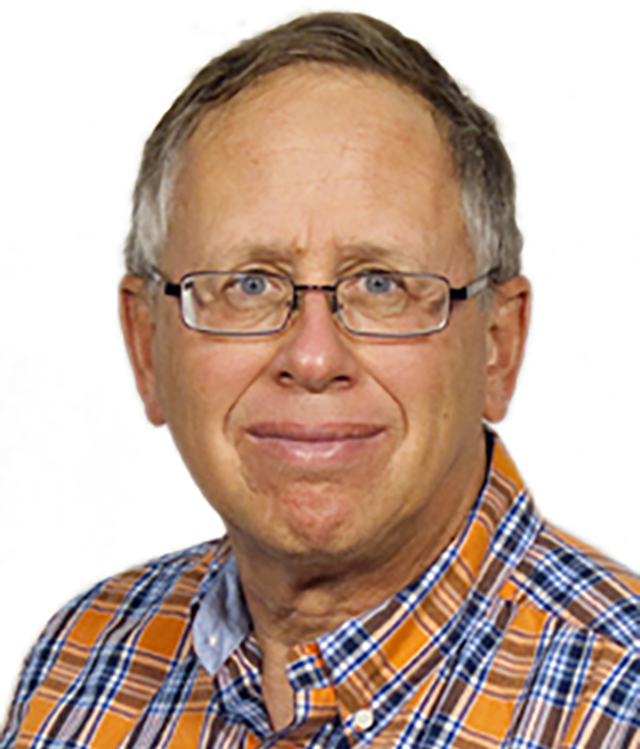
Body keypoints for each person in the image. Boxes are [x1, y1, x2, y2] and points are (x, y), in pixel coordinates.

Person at [1, 11, 637, 748]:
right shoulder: (78, 669)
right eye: (248, 285)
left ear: (498, 345)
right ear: (147, 344)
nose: (311, 357)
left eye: (381, 284)